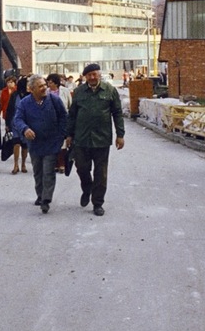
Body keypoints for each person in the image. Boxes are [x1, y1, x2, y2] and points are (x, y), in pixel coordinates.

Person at [66, 63, 125, 217]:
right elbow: (72, 115)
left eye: (94, 74)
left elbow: (117, 113)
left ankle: (97, 203)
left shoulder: (110, 91)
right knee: (82, 169)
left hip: (102, 139)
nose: (92, 77)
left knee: (101, 173)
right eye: (89, 75)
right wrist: (69, 135)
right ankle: (87, 189)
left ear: (99, 75)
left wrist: (120, 135)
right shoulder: (79, 92)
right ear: (85, 77)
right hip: (81, 139)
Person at [13, 75, 68, 214]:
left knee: (48, 171)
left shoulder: (54, 100)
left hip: (52, 142)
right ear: (31, 89)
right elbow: (17, 119)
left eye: (45, 85)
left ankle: (46, 200)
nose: (45, 88)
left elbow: (64, 117)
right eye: (40, 86)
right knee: (38, 171)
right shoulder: (25, 103)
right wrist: (25, 129)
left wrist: (62, 135)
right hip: (35, 143)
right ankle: (40, 194)